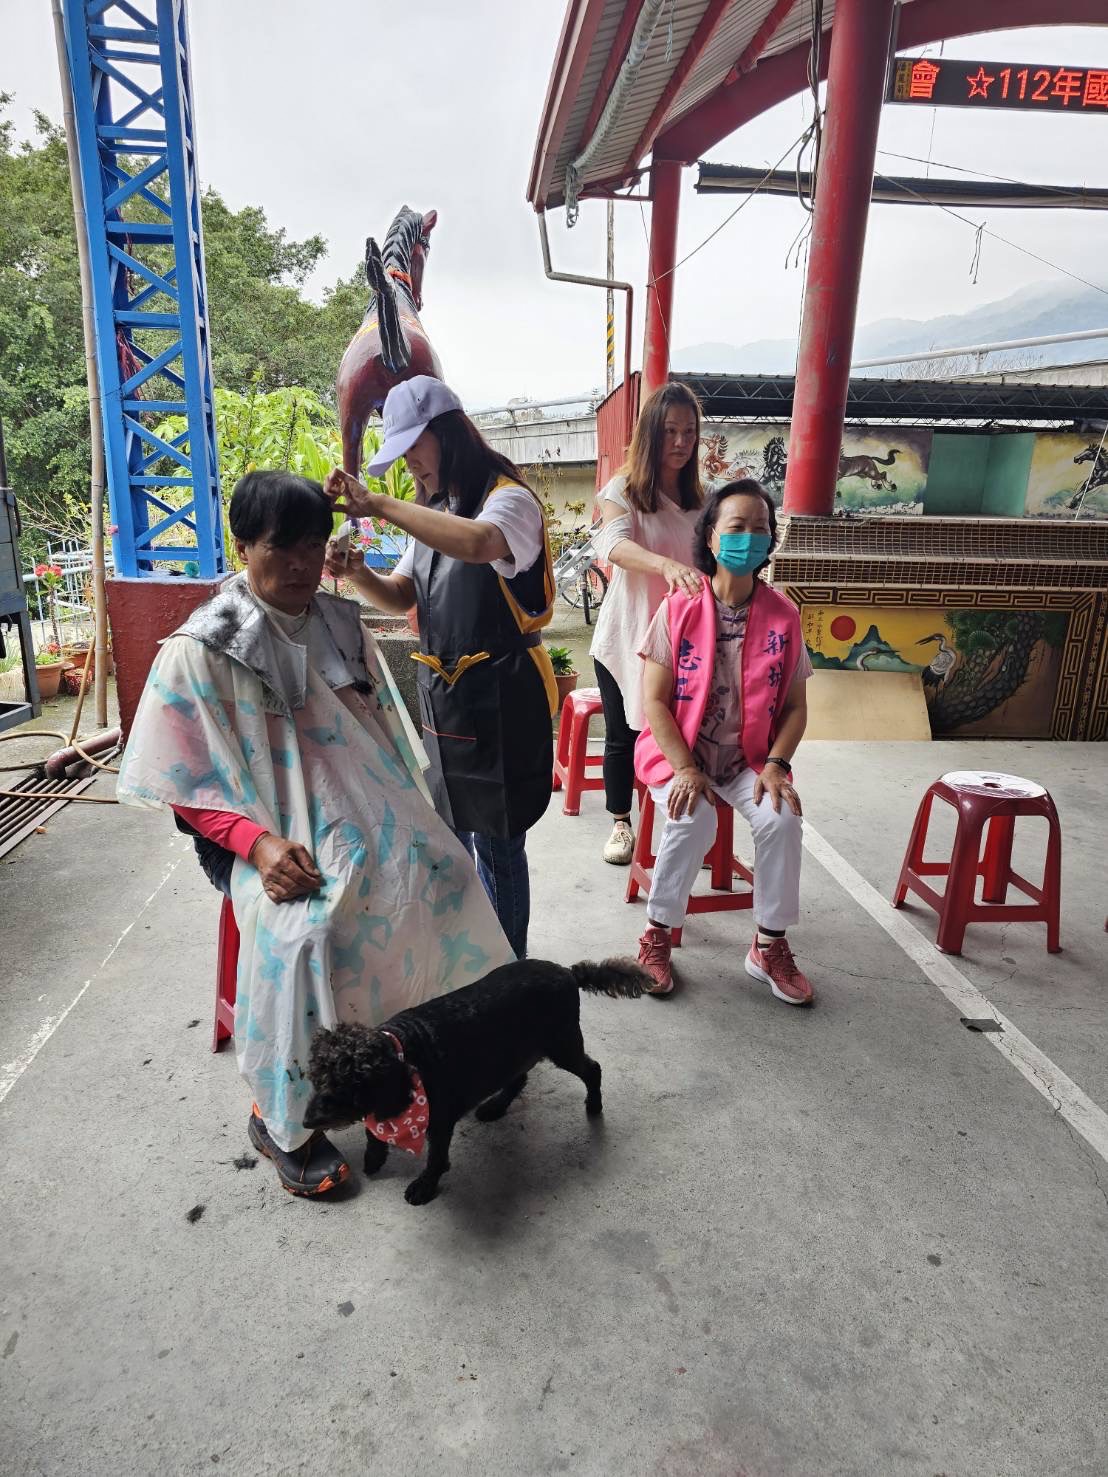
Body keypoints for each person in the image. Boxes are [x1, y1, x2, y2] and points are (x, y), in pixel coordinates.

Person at [116, 470, 514, 1196]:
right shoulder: (203, 645)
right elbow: (185, 783)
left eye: (312, 546)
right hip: (257, 830)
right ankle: (284, 1117)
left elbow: (378, 736)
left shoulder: (338, 623)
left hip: (360, 803)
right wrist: (258, 846)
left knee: (448, 873)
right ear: (243, 545)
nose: (301, 564)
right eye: (282, 547)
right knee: (309, 932)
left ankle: (437, 1050)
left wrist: (411, 818)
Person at [322, 375, 556, 961]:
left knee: (499, 846)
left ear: (447, 434)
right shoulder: (435, 510)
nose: (409, 465)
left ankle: (509, 972)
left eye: (413, 448)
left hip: (502, 698)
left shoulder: (509, 501)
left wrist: (379, 505)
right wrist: (357, 572)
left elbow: (478, 544)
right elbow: (402, 594)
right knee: (454, 840)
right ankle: (469, 959)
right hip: (448, 704)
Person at [631, 479, 815, 1005]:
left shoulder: (784, 616)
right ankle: (657, 934)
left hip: (747, 759)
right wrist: (686, 769)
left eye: (761, 528)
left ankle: (768, 945)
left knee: (782, 818)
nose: (749, 537)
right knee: (694, 817)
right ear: (711, 537)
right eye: (737, 527)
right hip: (678, 754)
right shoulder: (678, 608)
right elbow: (655, 702)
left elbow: (797, 707)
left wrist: (776, 764)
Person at [588, 382, 705, 867]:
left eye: (689, 432)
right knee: (623, 735)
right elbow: (613, 545)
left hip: (684, 641)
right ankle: (621, 822)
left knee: (684, 735)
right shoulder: (624, 491)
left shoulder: (702, 500)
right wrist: (664, 565)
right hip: (629, 633)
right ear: (650, 434)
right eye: (670, 431)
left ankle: (685, 825)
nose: (680, 442)